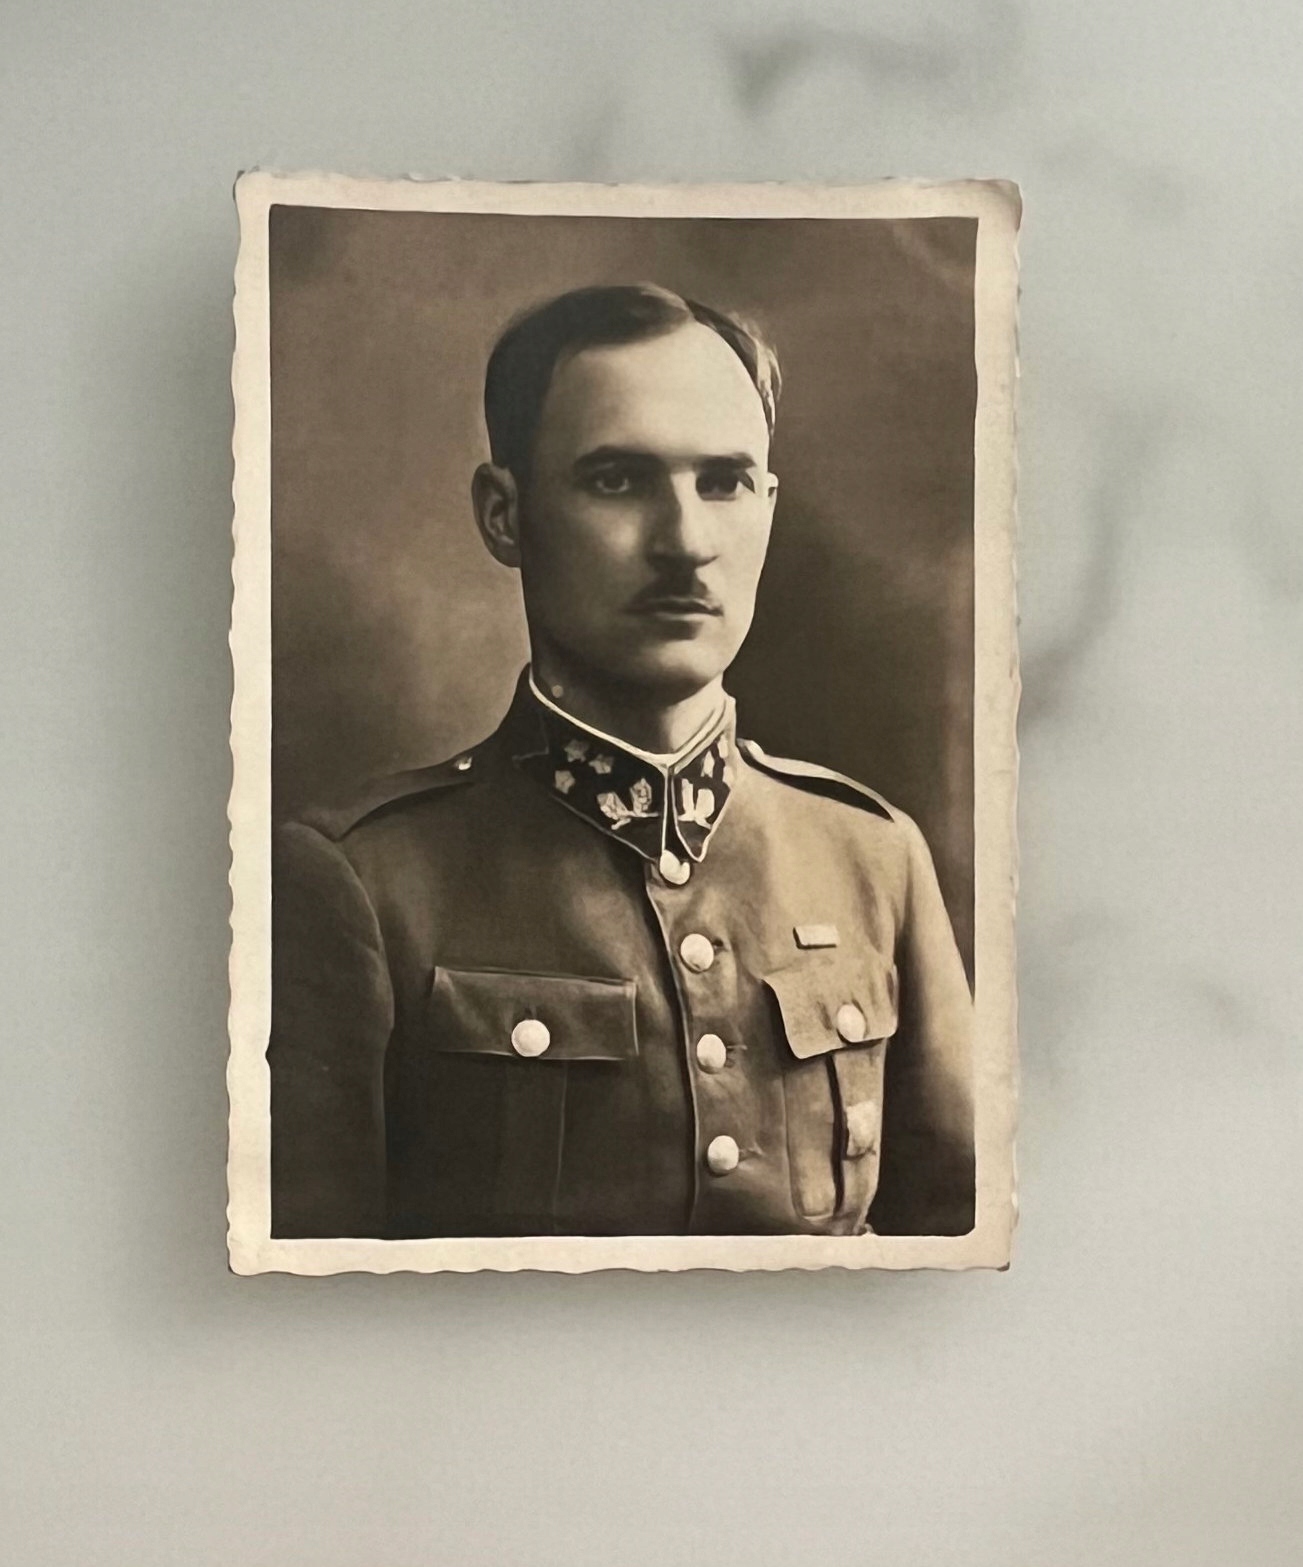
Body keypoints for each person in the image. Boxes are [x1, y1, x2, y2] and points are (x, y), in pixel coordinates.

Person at [268, 283, 974, 1240]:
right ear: (504, 515)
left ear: (767, 509)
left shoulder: (873, 857)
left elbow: (954, 1260)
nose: (685, 542)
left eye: (723, 482)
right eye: (617, 480)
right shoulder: (361, 881)